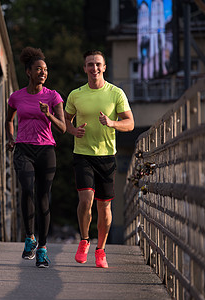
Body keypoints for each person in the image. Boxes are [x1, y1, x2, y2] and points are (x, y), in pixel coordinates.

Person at [64, 50, 134, 268]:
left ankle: (101, 250)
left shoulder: (116, 93)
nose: (94, 68)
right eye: (90, 65)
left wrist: (112, 123)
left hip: (107, 156)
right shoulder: (76, 94)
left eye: (98, 64)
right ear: (84, 68)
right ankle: (84, 240)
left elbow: (130, 123)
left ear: (104, 67)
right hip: (83, 154)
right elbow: (65, 120)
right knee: (86, 201)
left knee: (104, 208)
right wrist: (73, 131)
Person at [5, 47, 66, 268]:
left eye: (46, 70)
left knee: (42, 198)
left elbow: (62, 128)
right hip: (23, 149)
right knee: (27, 188)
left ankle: (42, 248)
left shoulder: (53, 96)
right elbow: (9, 120)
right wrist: (10, 138)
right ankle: (29, 236)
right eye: (38, 69)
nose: (43, 72)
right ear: (28, 71)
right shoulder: (16, 97)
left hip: (46, 150)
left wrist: (47, 113)